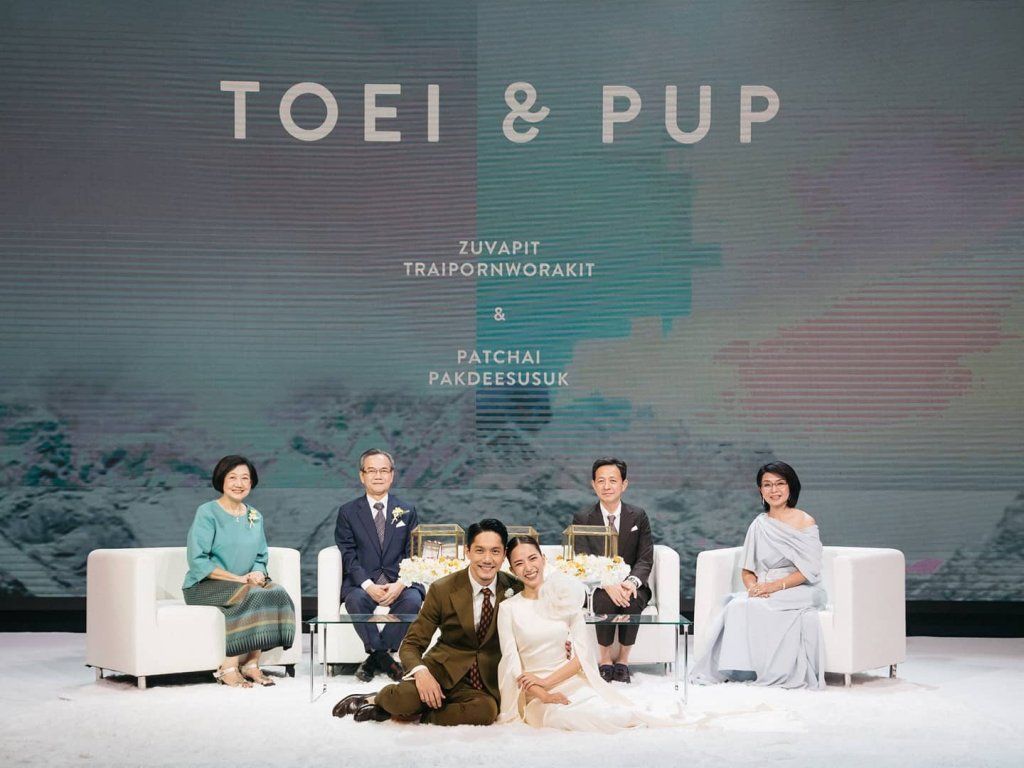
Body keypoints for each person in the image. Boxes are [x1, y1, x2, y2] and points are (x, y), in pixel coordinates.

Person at [332, 519, 521, 725]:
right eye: (480, 551)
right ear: (467, 551)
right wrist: (421, 673)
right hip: (441, 671)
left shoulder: (515, 589)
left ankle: (415, 714)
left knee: (485, 713)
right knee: (403, 699)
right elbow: (411, 644)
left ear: (504, 555)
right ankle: (375, 699)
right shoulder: (443, 589)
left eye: (495, 551)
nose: (487, 559)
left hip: (482, 683)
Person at [496, 536, 684, 730]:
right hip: (535, 694)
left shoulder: (565, 598)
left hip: (571, 682)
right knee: (569, 718)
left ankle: (645, 723)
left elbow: (582, 656)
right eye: (519, 563)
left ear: (543, 559)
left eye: (532, 558)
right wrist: (544, 694)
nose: (528, 567)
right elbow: (512, 665)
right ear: (512, 570)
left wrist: (547, 681)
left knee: (608, 712)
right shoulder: (508, 609)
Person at [690, 461, 827, 689]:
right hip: (763, 588)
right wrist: (753, 587)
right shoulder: (758, 524)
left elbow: (808, 571)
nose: (774, 490)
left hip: (799, 588)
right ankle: (738, 670)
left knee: (761, 605)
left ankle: (777, 671)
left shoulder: (805, 521)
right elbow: (747, 570)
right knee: (737, 605)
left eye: (780, 484)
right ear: (760, 490)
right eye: (767, 485)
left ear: (791, 486)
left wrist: (772, 587)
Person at [182, 455, 296, 688]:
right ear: (221, 480)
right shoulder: (208, 512)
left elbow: (260, 556)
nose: (239, 483)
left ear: (251, 483)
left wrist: (257, 573)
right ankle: (229, 666)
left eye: (245, 478)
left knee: (277, 592)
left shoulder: (255, 515)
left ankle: (251, 664)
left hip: (244, 583)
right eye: (232, 477)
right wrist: (238, 579)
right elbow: (198, 560)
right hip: (204, 586)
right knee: (252, 594)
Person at [334, 448, 424, 683]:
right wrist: (367, 585)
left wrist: (401, 584)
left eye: (383, 470)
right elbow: (348, 554)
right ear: (362, 476)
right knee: (355, 600)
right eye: (371, 471)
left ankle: (375, 658)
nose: (378, 476)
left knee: (413, 600)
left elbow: (414, 553)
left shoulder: (407, 510)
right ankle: (385, 659)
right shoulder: (348, 512)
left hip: (399, 582)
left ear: (392, 475)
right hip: (362, 583)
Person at [571, 457, 654, 683]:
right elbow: (582, 559)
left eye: (612, 481)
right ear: (593, 484)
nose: (606, 486)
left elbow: (645, 557)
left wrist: (631, 582)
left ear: (624, 484)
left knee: (632, 601)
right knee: (604, 601)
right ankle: (605, 660)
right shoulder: (583, 518)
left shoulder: (638, 516)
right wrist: (606, 583)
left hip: (630, 583)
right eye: (601, 481)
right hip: (597, 586)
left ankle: (623, 661)